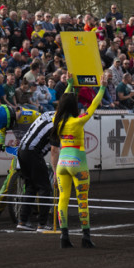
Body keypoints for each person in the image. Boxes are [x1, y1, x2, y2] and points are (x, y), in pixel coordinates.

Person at [54, 76, 105, 249]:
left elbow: (63, 101)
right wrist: (103, 88)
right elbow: (93, 106)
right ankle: (86, 237)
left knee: (63, 199)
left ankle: (64, 237)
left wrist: (69, 85)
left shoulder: (57, 120)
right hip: (78, 161)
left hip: (62, 163)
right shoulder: (78, 121)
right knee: (82, 200)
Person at [0, 104, 42, 225]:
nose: (7, 127)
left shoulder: (31, 115)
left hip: (35, 149)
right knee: (10, 180)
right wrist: (1, 142)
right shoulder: (8, 118)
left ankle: (38, 207)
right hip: (20, 149)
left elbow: (45, 125)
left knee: (36, 180)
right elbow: (2, 129)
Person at [14, 110, 60, 232]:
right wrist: (55, 172)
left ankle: (23, 221)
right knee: (45, 188)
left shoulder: (50, 113)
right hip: (32, 151)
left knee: (31, 186)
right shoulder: (58, 123)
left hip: (22, 150)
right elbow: (54, 150)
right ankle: (43, 224)